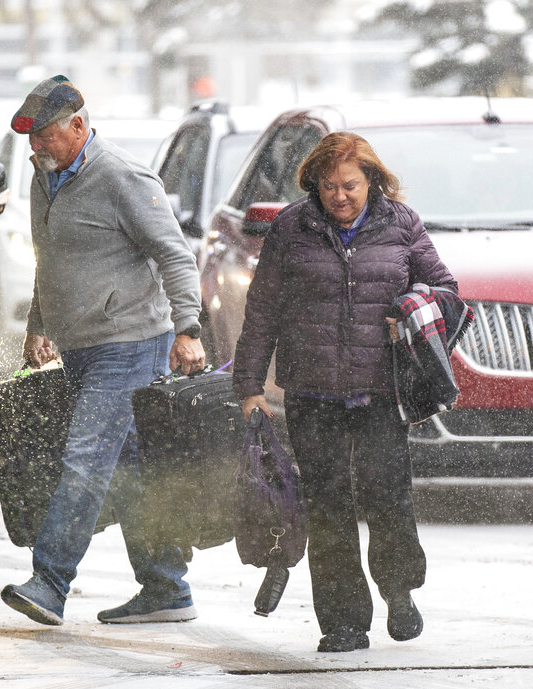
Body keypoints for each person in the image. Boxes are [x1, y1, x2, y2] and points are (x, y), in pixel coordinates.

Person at [233, 131, 456, 652]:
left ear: (371, 180)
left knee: (388, 497)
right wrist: (249, 387)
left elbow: (446, 290)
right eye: (329, 186)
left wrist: (415, 303)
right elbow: (262, 311)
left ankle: (399, 591)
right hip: (313, 392)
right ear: (315, 183)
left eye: (351, 185)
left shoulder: (401, 224)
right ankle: (343, 622)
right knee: (328, 506)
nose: (340, 196)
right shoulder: (292, 227)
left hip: (383, 391)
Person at [0, 75, 207, 626]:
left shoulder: (122, 178)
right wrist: (38, 324)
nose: (34, 147)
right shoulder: (45, 178)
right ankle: (166, 588)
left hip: (132, 343)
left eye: (42, 135)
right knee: (131, 468)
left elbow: (175, 256)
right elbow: (50, 259)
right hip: (80, 347)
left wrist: (188, 327)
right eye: (30, 138)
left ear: (78, 126)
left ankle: (49, 583)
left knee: (86, 460)